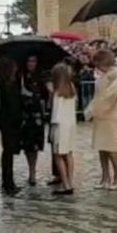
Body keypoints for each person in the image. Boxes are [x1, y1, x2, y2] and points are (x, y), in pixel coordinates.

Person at [87, 49, 117, 190]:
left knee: (111, 147)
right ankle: (105, 177)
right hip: (100, 114)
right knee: (101, 147)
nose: (96, 66)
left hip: (110, 114)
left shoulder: (116, 72)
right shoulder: (102, 74)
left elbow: (114, 91)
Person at [0, 57, 23, 195]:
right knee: (8, 152)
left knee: (7, 152)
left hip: (7, 121)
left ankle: (8, 182)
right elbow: (13, 105)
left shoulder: (7, 82)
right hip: (10, 122)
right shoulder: (8, 84)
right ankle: (8, 183)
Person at [20, 55, 48, 186]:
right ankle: (30, 169)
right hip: (25, 114)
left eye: (33, 61)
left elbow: (45, 95)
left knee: (35, 145)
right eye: (29, 61)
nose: (31, 63)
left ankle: (33, 171)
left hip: (36, 114)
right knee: (27, 144)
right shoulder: (21, 76)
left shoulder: (40, 76)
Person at [50, 63, 77, 195]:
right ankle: (70, 182)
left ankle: (65, 184)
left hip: (59, 126)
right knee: (69, 154)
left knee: (58, 155)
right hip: (70, 124)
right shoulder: (71, 88)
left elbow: (55, 113)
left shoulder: (57, 92)